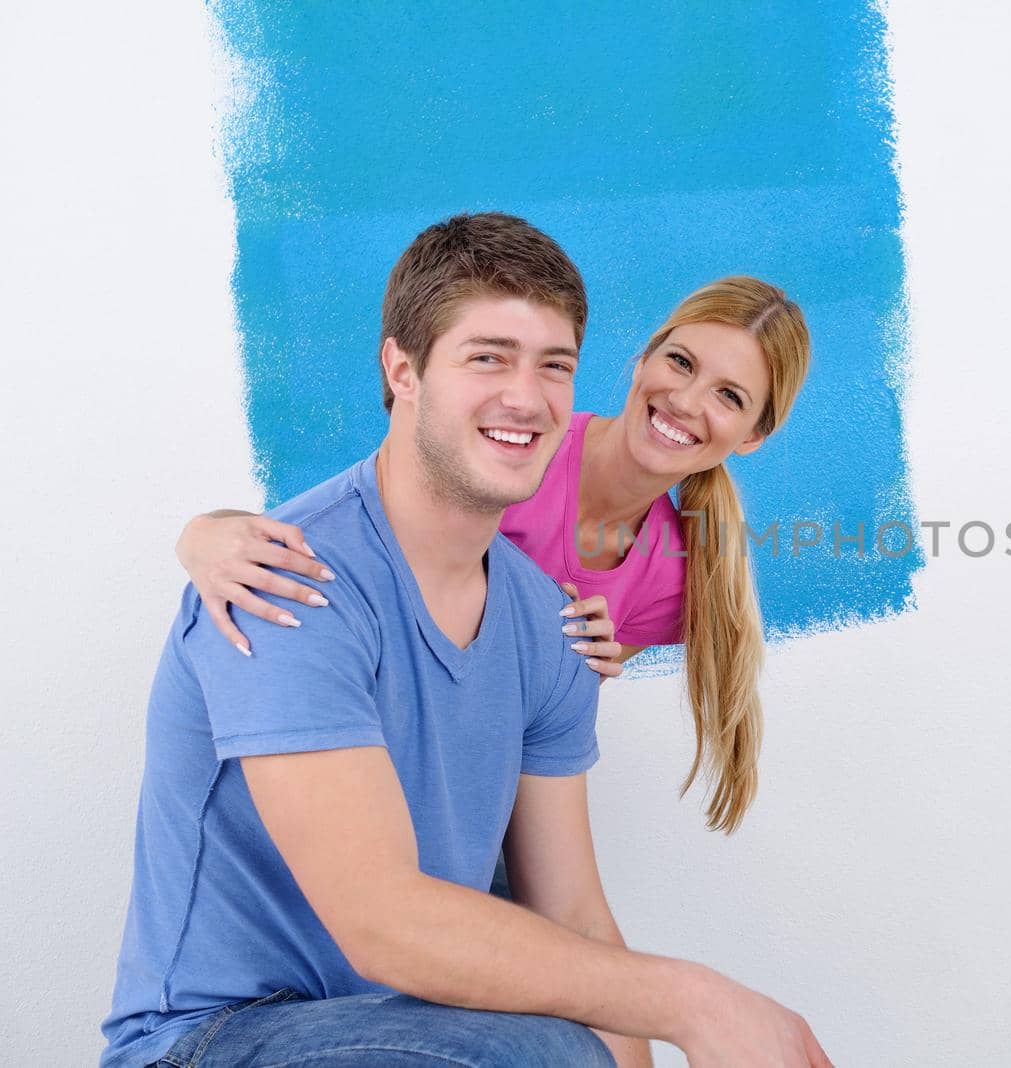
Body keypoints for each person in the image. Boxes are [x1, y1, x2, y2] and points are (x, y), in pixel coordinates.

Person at [101, 212, 831, 1068]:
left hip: (423, 1020)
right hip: (215, 1039)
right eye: (487, 356)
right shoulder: (282, 582)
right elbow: (383, 922)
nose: (524, 397)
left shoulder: (556, 626)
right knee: (549, 1054)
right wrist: (698, 1003)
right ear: (402, 370)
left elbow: (575, 919)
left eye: (552, 366)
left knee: (571, 1044)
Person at [176, 274, 810, 833]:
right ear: (644, 358)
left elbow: (529, 719)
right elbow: (360, 515)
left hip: (466, 811)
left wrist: (568, 668)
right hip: (338, 760)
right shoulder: (518, 443)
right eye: (681, 363)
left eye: (730, 396)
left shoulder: (675, 580)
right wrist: (205, 531)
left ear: (754, 436)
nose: (687, 400)